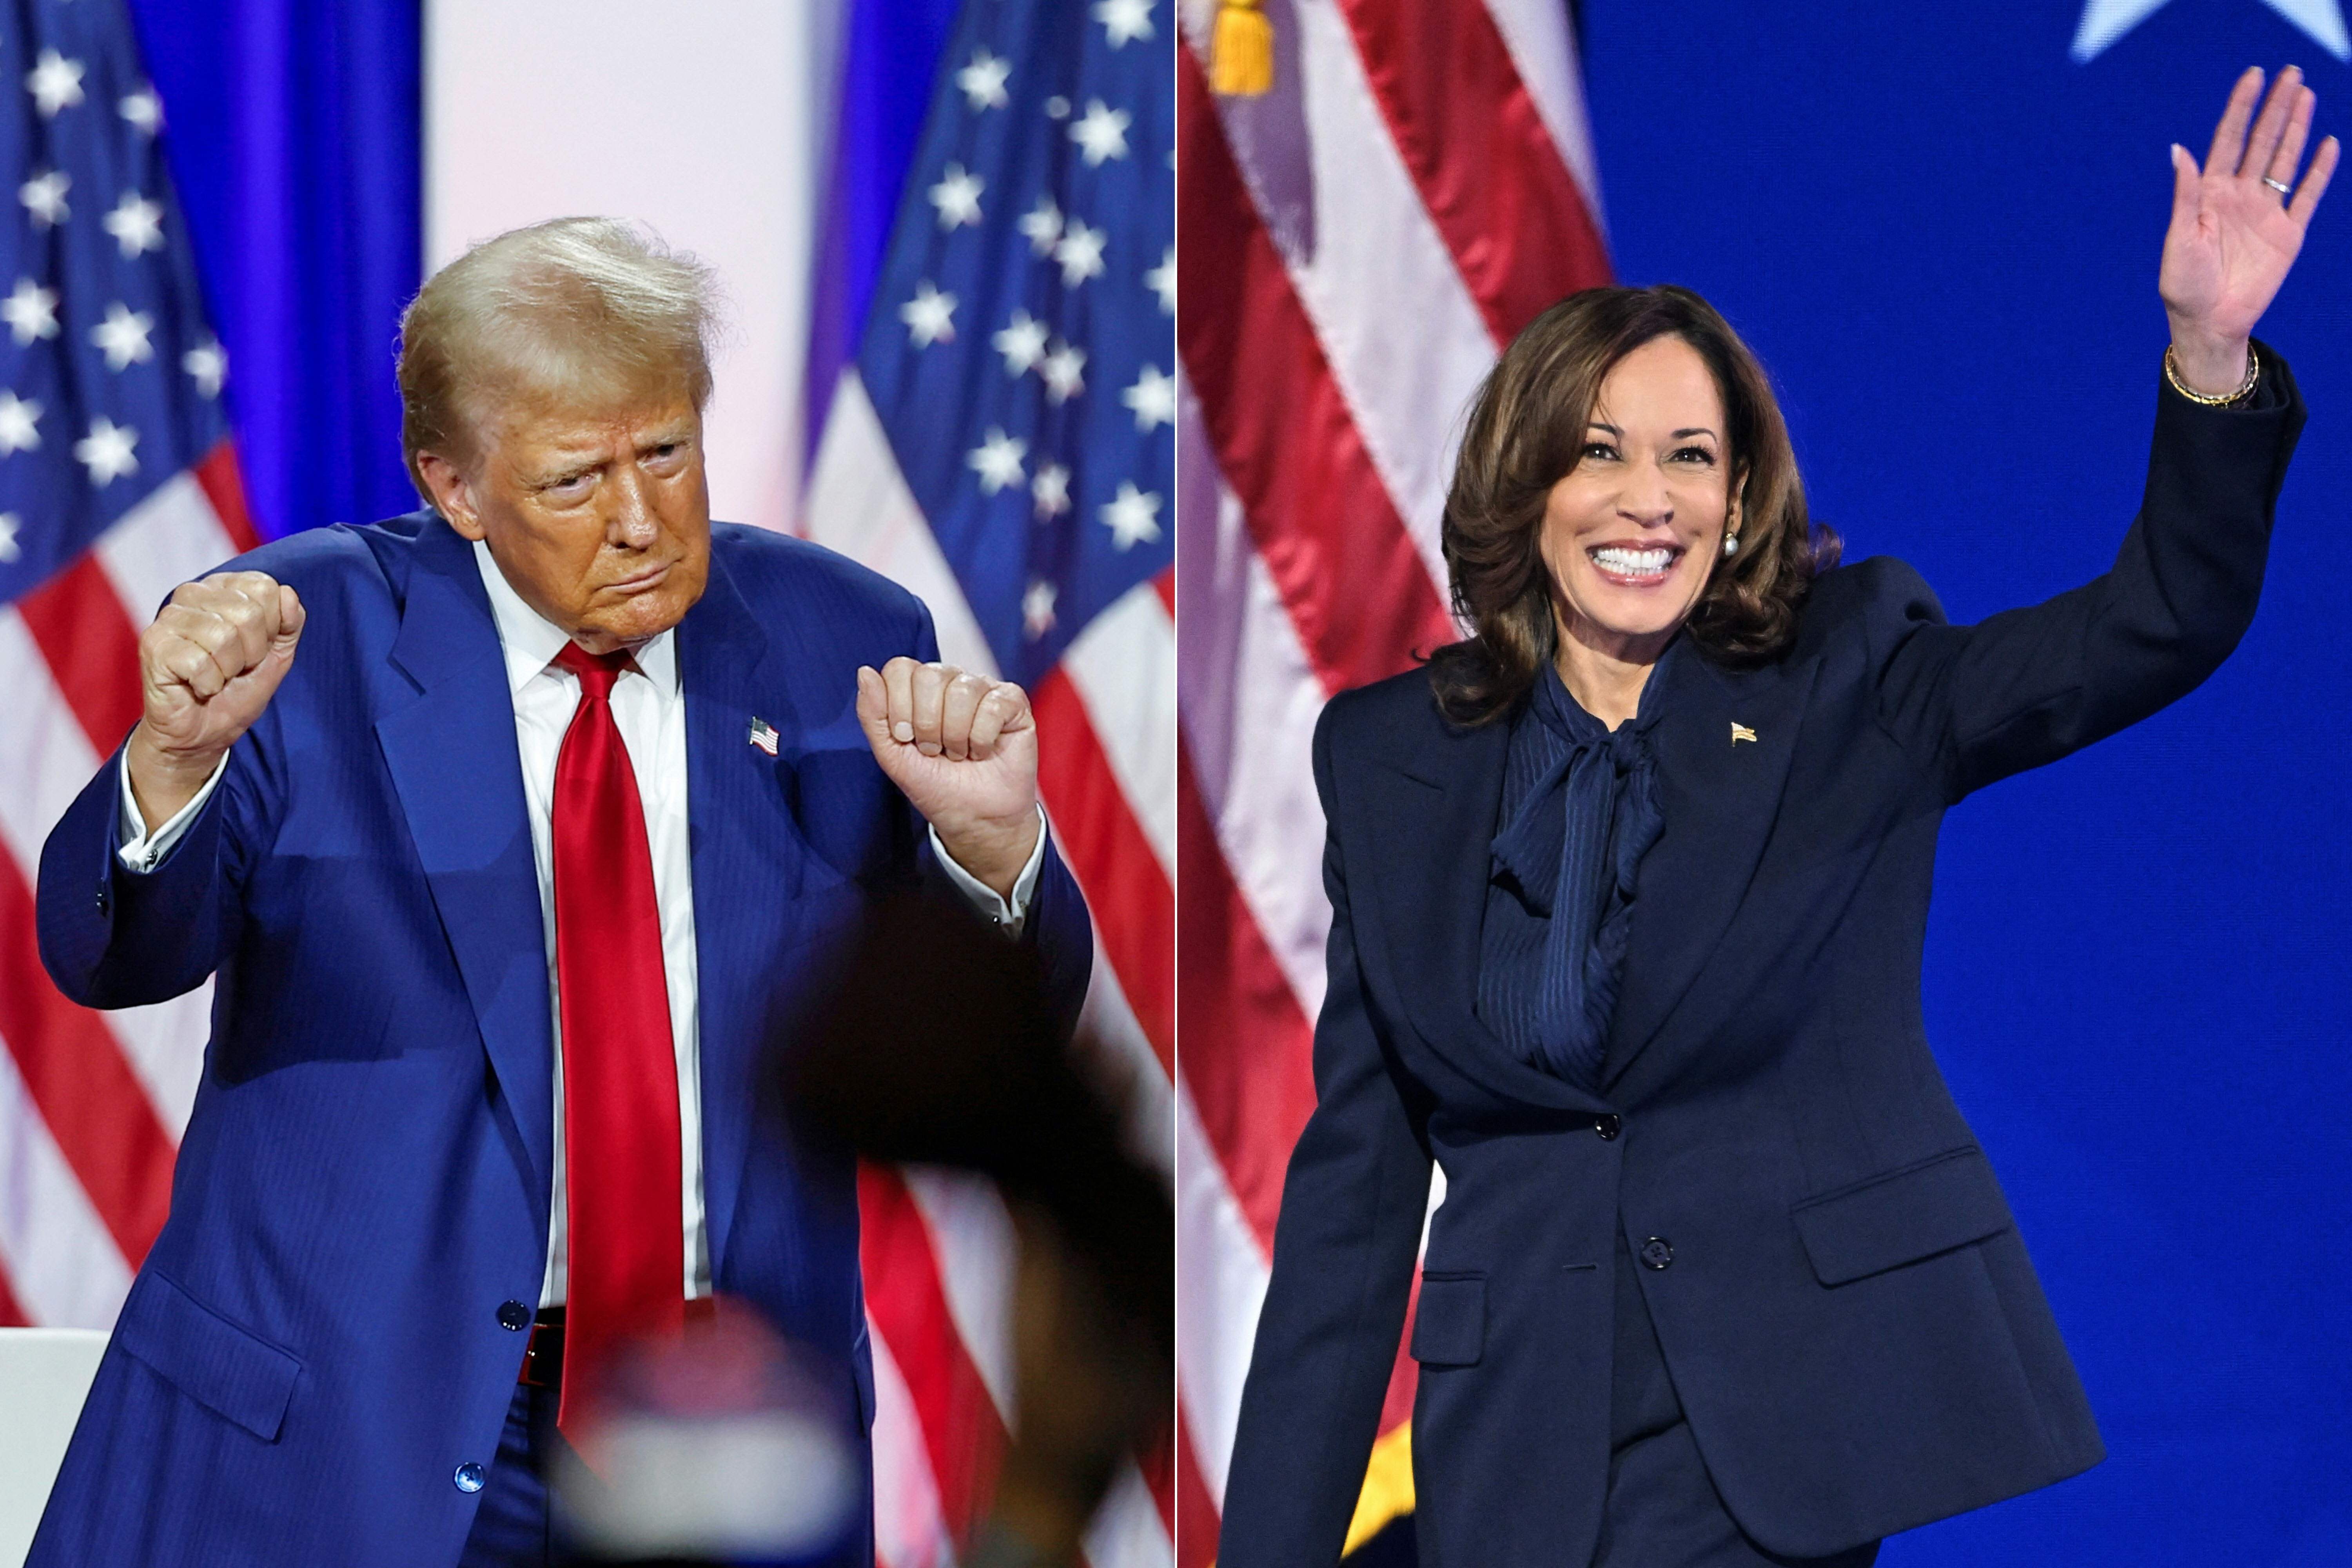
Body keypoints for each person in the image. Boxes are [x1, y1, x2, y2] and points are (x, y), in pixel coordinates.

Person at [1218, 67, 2332, 1568]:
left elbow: (2154, 623)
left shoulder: (1851, 678)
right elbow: (1354, 1194)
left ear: (1741, 503)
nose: (1646, 499)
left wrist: (2209, 358)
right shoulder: (1392, 758)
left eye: (1691, 457)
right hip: (1514, 1452)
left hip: (1769, 1434)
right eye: (1598, 451)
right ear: (1527, 486)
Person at [30, 217, 1092, 1568]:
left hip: (720, 1433)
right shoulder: (298, 641)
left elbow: (988, 1057)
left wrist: (994, 856)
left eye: (666, 452)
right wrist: (171, 763)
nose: (642, 521)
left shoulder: (846, 640)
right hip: (347, 1436)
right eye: (576, 480)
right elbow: (111, 952)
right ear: (455, 488)